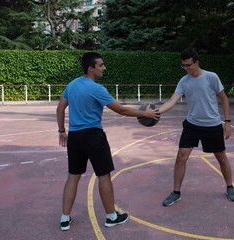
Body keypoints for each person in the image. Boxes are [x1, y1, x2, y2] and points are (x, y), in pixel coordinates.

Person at [56, 52, 160, 231]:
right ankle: (111, 216)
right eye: (101, 65)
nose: (104, 68)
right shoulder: (97, 89)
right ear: (91, 68)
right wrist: (146, 114)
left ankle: (64, 219)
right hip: (93, 136)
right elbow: (121, 110)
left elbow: (60, 108)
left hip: (74, 136)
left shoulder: (72, 85)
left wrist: (61, 131)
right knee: (103, 175)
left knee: (73, 176)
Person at [158, 47, 234, 207]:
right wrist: (155, 112)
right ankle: (176, 192)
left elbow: (224, 99)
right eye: (183, 66)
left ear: (197, 62)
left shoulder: (211, 77)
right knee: (181, 157)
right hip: (192, 125)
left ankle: (230, 187)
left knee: (221, 157)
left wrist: (227, 122)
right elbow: (172, 101)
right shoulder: (184, 81)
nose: (186, 68)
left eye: (189, 65)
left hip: (212, 125)